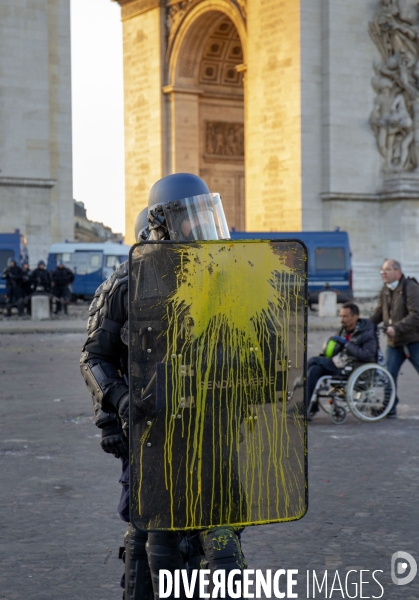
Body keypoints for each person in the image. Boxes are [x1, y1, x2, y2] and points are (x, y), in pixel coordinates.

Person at [80, 176, 246, 600]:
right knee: (154, 529)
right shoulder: (126, 281)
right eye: (190, 220)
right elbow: (95, 356)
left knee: (223, 523)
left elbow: (247, 344)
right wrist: (117, 408)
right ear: (162, 224)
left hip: (212, 422)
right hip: (153, 426)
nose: (200, 229)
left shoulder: (221, 279)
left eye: (205, 216)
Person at [306, 302, 378, 420]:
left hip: (353, 368)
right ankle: (309, 407)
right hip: (341, 365)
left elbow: (367, 355)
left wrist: (347, 344)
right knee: (314, 370)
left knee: (313, 361)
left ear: (355, 317)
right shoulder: (343, 330)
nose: (342, 320)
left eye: (345, 316)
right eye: (340, 316)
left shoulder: (367, 333)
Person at [370, 259, 419, 417]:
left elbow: (416, 315)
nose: (383, 273)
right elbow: (379, 313)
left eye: (388, 270)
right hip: (394, 343)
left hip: (413, 341)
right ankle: (389, 408)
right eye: (382, 270)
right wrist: (363, 325)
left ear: (398, 272)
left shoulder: (410, 288)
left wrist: (397, 328)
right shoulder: (385, 290)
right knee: (389, 375)